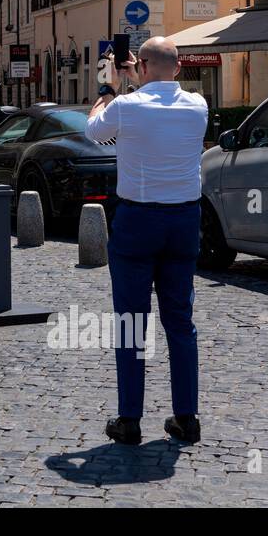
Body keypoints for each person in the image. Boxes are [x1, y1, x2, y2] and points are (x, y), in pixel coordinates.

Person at [86, 37, 209, 447]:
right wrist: (136, 78)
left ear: (140, 64)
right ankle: (186, 417)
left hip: (139, 220)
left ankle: (129, 420)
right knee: (180, 321)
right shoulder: (198, 106)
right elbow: (157, 108)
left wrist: (108, 88)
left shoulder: (125, 105)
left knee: (131, 321)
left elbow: (94, 132)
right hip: (184, 220)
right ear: (178, 67)